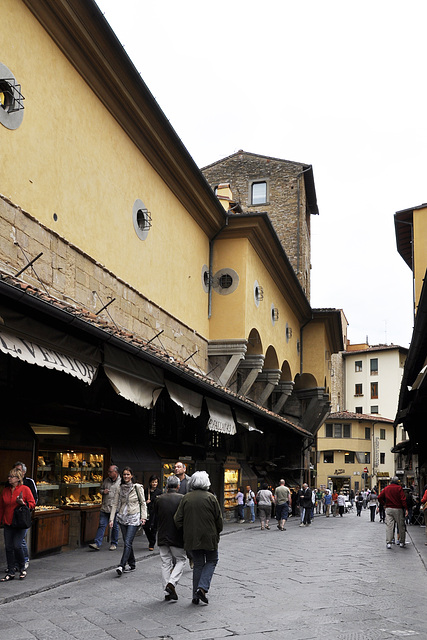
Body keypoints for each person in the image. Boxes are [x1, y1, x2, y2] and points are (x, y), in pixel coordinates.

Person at [174, 471, 223, 605]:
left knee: (198, 563)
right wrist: (218, 531)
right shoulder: (211, 497)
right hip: (209, 536)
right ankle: (202, 588)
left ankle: (195, 595)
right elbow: (219, 519)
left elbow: (177, 519)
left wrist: (186, 531)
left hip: (192, 537)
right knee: (212, 560)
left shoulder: (186, 498)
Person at [109, 466, 147, 576]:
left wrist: (143, 517)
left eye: (128, 474)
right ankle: (132, 564)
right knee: (127, 542)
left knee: (128, 542)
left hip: (134, 516)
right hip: (122, 517)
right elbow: (115, 504)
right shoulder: (119, 488)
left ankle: (121, 565)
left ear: (132, 476)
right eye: (124, 474)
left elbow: (142, 502)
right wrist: (112, 519)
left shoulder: (137, 487)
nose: (126, 476)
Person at [0, 469, 36, 581]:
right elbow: (2, 507)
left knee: (17, 545)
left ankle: (22, 567)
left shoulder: (25, 489)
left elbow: (32, 503)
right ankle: (11, 571)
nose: (9, 478)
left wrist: (23, 503)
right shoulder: (5, 490)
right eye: (9, 476)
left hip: (20, 523)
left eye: (12, 476)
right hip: (8, 522)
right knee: (9, 547)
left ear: (18, 478)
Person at [154, 475, 186, 601]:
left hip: (162, 534)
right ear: (178, 486)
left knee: (165, 562)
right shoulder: (182, 499)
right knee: (181, 560)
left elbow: (156, 515)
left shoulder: (159, 499)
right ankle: (171, 583)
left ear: (167, 486)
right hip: (177, 535)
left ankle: (167, 592)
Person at [89, 464, 121, 551]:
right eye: (108, 472)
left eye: (110, 472)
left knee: (114, 526)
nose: (109, 473)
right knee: (102, 525)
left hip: (115, 508)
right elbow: (101, 489)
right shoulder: (106, 480)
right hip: (105, 507)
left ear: (116, 472)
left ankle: (114, 543)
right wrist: (104, 491)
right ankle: (97, 543)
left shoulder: (120, 482)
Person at [13, 461, 37, 569]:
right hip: (12, 515)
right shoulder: (11, 482)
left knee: (20, 539)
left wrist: (25, 506)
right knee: (13, 541)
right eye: (15, 469)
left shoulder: (28, 482)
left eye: (19, 470)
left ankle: (24, 560)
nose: (16, 472)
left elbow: (34, 499)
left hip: (24, 515)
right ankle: (15, 563)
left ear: (23, 472)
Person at [378, 477, 408, 549]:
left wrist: (384, 504)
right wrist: (406, 508)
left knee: (389, 526)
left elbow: (379, 497)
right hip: (398, 509)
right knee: (401, 526)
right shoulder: (399, 488)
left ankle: (389, 542)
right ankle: (401, 542)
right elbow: (403, 499)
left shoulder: (386, 488)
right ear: (397, 481)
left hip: (388, 509)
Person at [143, 474, 163, 551]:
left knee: (154, 528)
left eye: (156, 482)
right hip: (147, 512)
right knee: (146, 527)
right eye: (153, 482)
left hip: (155, 512)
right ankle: (151, 540)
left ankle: (152, 544)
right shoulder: (146, 491)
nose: (154, 484)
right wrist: (146, 502)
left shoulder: (159, 492)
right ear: (150, 482)